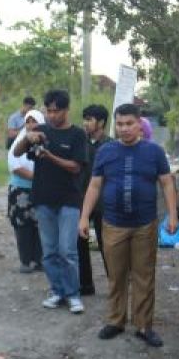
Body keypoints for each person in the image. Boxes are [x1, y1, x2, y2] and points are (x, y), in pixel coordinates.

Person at [81, 104, 178, 347]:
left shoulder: (154, 152)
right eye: (120, 124)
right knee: (116, 275)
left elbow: (166, 184)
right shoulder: (106, 151)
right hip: (113, 224)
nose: (124, 129)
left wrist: (173, 215)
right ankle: (116, 320)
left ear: (139, 124)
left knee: (144, 275)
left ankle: (144, 325)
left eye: (129, 124)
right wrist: (84, 217)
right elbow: (94, 186)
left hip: (145, 224)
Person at [14, 89, 88, 313]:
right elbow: (17, 152)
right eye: (49, 111)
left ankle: (73, 294)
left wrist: (50, 156)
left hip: (69, 199)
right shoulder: (40, 130)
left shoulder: (77, 135)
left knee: (68, 251)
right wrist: (27, 138)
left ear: (66, 110)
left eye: (57, 111)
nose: (52, 115)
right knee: (50, 251)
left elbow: (75, 166)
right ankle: (57, 291)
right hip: (43, 198)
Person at [7, 108, 46, 275]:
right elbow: (14, 165)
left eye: (34, 121)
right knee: (23, 225)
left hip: (40, 190)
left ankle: (38, 260)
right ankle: (25, 261)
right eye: (28, 121)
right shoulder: (19, 141)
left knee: (39, 225)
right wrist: (36, 177)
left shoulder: (45, 140)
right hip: (21, 190)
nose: (31, 125)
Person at [77, 104, 110, 296]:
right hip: (81, 201)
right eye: (85, 119)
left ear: (101, 122)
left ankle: (114, 284)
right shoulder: (81, 142)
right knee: (79, 243)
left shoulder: (111, 145)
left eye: (89, 119)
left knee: (107, 246)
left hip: (104, 203)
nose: (86, 123)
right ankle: (85, 285)